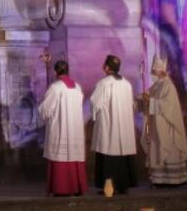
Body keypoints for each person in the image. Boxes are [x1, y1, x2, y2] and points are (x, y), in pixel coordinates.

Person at [90, 55, 137, 194]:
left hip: (109, 127)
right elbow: (132, 105)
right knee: (122, 152)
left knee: (109, 149)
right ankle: (123, 184)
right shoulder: (127, 84)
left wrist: (94, 115)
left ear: (106, 67)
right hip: (124, 126)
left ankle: (108, 185)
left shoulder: (104, 83)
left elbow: (95, 103)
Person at [38, 60, 86, 197]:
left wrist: (41, 111)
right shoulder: (77, 87)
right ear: (68, 71)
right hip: (75, 128)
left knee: (60, 154)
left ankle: (62, 188)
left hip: (61, 127)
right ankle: (76, 186)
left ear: (55, 72)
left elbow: (45, 110)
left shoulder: (55, 87)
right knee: (73, 154)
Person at [140, 57, 187, 186]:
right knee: (158, 150)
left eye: (154, 69)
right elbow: (148, 98)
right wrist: (142, 99)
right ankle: (160, 179)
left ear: (160, 70)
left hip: (167, 126)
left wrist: (150, 101)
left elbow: (168, 106)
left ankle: (172, 179)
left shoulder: (168, 85)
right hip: (157, 126)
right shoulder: (157, 85)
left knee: (168, 151)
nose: (152, 72)